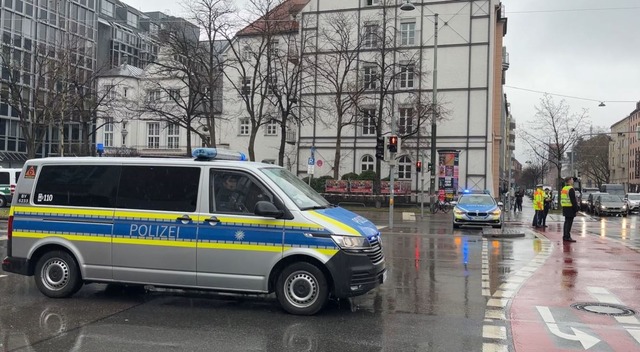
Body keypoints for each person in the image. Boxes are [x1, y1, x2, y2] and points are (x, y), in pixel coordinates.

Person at [560, 176, 579, 242]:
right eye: (572, 179)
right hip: (570, 207)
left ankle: (565, 236)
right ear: (569, 180)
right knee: (569, 223)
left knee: (566, 222)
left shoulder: (564, 188)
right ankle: (567, 236)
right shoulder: (570, 189)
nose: (573, 180)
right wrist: (576, 209)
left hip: (565, 207)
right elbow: (573, 200)